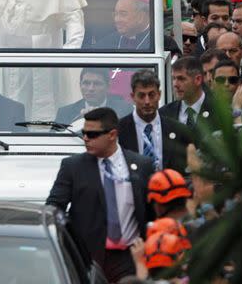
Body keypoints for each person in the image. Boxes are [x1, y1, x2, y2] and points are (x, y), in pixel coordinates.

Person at [46, 107, 154, 282]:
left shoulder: (141, 165)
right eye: (84, 133)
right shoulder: (73, 167)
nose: (86, 139)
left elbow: (151, 210)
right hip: (88, 258)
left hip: (130, 257)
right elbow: (53, 208)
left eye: (92, 134)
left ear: (112, 135)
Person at [117, 70, 191, 174]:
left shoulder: (178, 130)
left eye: (151, 95)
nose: (147, 102)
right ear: (133, 97)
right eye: (141, 96)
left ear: (159, 95)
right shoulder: (119, 129)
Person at [56, 68, 131, 124]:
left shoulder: (125, 109)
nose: (91, 89)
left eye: (97, 84)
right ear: (80, 85)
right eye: (86, 83)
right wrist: (78, 122)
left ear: (108, 86)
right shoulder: (65, 113)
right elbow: (54, 140)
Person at [159, 57, 213, 127]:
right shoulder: (164, 114)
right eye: (173, 78)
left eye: (181, 79)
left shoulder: (218, 112)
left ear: (198, 79)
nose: (175, 84)